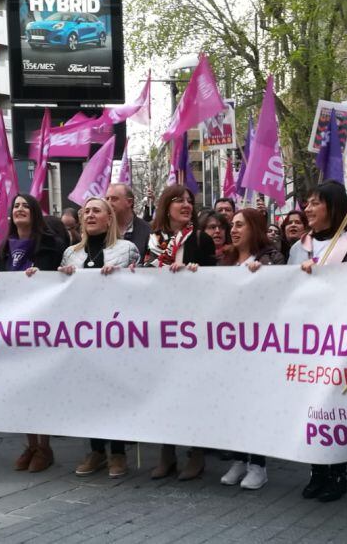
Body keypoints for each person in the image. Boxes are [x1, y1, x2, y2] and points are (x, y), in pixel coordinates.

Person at [289, 180, 347, 502]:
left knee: (333, 406)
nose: (307, 209)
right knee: (309, 405)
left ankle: (338, 473)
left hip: (337, 341)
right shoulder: (299, 246)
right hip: (305, 341)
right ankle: (317, 469)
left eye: (314, 203)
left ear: (333, 207)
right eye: (306, 203)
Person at [58, 197, 141, 479]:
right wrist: (58, 278)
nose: (90, 215)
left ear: (109, 218)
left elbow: (142, 288)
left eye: (96, 210)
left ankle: (117, 452)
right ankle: (96, 451)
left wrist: (123, 277)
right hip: (83, 336)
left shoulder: (127, 249)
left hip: (115, 334)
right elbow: (58, 292)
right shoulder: (71, 254)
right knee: (89, 394)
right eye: (86, 211)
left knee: (114, 393)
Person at [142, 184, 217, 481]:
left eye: (189, 201)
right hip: (159, 326)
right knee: (162, 391)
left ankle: (196, 453)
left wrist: (197, 274)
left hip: (191, 327)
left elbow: (216, 280)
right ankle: (166, 453)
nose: (186, 205)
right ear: (165, 205)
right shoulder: (152, 240)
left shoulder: (199, 239)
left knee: (190, 391)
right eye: (179, 200)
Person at [214, 207, 285, 490]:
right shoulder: (226, 259)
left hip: (259, 345)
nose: (233, 229)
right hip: (229, 345)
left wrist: (263, 275)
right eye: (232, 224)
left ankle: (258, 465)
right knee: (234, 404)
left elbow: (282, 293)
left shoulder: (272, 258)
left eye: (240, 225)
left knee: (254, 404)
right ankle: (239, 460)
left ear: (254, 228)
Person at [0, 194, 68, 472]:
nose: (20, 209)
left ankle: (45, 446)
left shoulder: (50, 243)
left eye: (25, 205)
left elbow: (57, 280)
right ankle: (31, 444)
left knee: (40, 386)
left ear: (35, 213)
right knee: (20, 386)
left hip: (42, 325)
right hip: (14, 325)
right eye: (16, 206)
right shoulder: (4, 246)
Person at [105, 182, 151, 257]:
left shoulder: (148, 231)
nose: (109, 203)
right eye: (107, 199)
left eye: (114, 199)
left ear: (129, 202)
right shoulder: (101, 230)